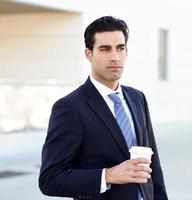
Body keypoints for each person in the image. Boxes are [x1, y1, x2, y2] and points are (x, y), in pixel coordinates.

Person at [39, 16, 168, 200]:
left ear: (126, 52)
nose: (115, 57)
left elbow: (154, 168)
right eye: (105, 49)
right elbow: (50, 179)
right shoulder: (69, 108)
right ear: (89, 54)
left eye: (120, 48)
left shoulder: (137, 98)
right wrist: (108, 175)